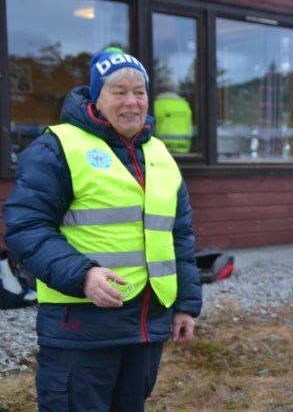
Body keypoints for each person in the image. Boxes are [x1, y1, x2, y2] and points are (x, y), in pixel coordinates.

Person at [3, 47, 202, 411]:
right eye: (119, 91)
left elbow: (179, 236)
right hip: (80, 331)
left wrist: (185, 306)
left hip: (144, 329)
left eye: (139, 91)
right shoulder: (58, 148)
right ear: (96, 96)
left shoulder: (159, 153)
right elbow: (26, 227)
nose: (132, 102)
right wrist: (83, 275)